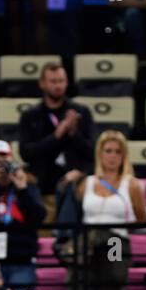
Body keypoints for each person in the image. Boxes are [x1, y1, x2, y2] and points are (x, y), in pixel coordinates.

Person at [80, 130, 146, 290]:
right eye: (108, 151)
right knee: (84, 277)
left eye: (117, 152)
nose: (112, 156)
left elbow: (142, 219)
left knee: (113, 276)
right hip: (89, 239)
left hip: (115, 239)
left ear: (124, 156)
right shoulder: (86, 183)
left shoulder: (132, 184)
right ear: (100, 154)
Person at [18, 62, 95, 215]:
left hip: (75, 188)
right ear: (42, 83)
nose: (58, 86)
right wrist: (55, 137)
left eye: (61, 81)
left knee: (72, 237)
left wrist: (74, 134)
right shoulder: (30, 116)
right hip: (43, 189)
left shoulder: (81, 112)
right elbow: (26, 153)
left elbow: (92, 152)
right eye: (53, 81)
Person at [0, 140, 46, 290]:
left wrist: (22, 189)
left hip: (22, 258)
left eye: (4, 159)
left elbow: (37, 218)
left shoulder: (28, 186)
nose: (2, 165)